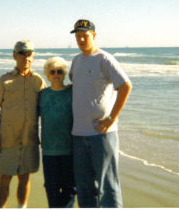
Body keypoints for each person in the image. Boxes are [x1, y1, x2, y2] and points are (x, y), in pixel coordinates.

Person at [69, 19, 132, 208]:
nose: (81, 39)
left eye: (85, 36)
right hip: (78, 135)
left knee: (108, 186)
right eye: (78, 36)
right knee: (84, 187)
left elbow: (125, 86)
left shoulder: (104, 59)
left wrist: (111, 118)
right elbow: (77, 87)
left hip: (101, 134)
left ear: (94, 36)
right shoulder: (76, 60)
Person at [0, 40, 47, 208]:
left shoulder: (38, 81)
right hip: (7, 139)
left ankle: (22, 207)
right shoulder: (4, 81)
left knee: (25, 177)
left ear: (33, 57)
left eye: (30, 55)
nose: (26, 59)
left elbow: (47, 109)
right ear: (15, 56)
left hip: (29, 139)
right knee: (5, 177)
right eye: (22, 55)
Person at [38, 57, 76, 208]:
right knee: (51, 188)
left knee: (69, 189)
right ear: (47, 74)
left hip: (69, 149)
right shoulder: (42, 94)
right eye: (52, 71)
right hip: (48, 150)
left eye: (59, 71)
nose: (56, 74)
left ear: (64, 73)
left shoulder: (72, 92)